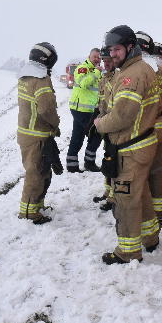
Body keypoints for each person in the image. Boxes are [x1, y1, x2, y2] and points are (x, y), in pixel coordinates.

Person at [94, 25, 161, 264]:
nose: (113, 54)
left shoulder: (131, 75)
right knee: (139, 193)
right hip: (140, 143)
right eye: (111, 50)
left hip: (132, 147)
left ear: (130, 47)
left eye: (118, 49)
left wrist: (99, 123)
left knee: (125, 200)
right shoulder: (138, 69)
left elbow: (122, 116)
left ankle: (129, 251)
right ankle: (151, 236)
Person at [16, 42, 63, 224]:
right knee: (36, 174)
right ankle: (28, 212)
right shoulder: (41, 80)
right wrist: (55, 124)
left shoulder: (25, 77)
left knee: (42, 171)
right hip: (37, 135)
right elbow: (46, 109)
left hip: (26, 133)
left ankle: (37, 205)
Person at [136, 31, 162, 222]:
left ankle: (144, 213)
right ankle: (160, 212)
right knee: (158, 172)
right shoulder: (160, 71)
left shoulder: (133, 71)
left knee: (139, 173)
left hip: (141, 130)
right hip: (161, 126)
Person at [66, 48, 103, 173]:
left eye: (99, 57)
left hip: (90, 110)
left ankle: (72, 165)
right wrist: (97, 73)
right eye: (95, 56)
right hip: (81, 109)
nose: (97, 59)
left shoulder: (96, 70)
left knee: (78, 135)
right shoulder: (83, 68)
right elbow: (84, 83)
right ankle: (89, 162)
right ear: (89, 56)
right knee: (96, 134)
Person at [92, 46, 116, 211]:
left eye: (108, 61)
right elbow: (102, 102)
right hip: (105, 125)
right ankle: (107, 191)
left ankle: (114, 197)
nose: (105, 64)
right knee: (107, 159)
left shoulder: (118, 78)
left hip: (115, 126)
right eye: (104, 61)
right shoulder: (104, 78)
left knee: (115, 163)